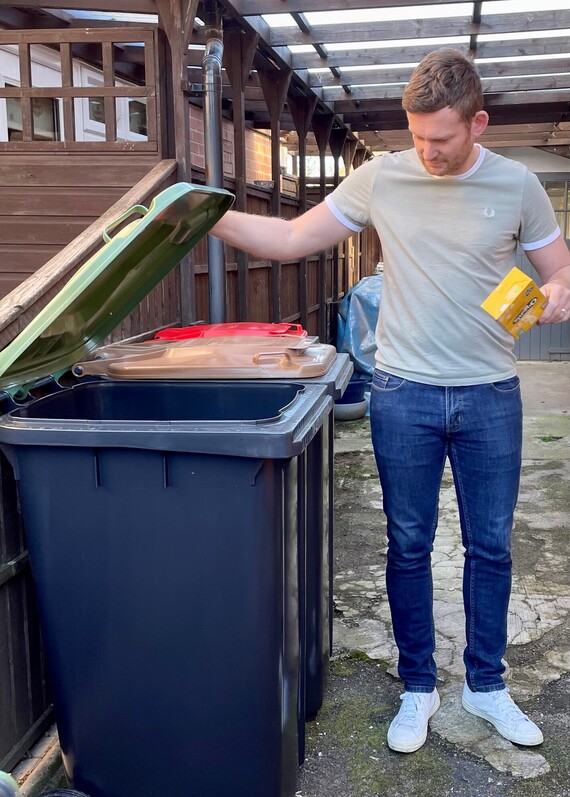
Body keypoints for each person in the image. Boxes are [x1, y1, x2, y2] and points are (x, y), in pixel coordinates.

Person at [211, 48, 570, 753]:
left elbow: (560, 272)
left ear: (479, 123)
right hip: (402, 392)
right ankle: (418, 685)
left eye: (441, 137)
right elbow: (287, 237)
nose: (427, 151)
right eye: (416, 136)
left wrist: (555, 295)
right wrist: (210, 218)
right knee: (408, 545)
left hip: (491, 393)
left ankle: (486, 684)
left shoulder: (519, 185)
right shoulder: (381, 177)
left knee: (490, 547)